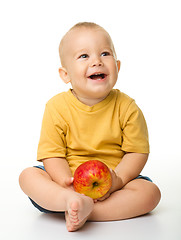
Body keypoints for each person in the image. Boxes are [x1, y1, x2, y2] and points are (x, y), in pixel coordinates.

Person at [19, 22, 161, 232]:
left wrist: (118, 180)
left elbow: (136, 152)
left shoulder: (127, 107)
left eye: (105, 54)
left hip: (113, 184)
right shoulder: (56, 107)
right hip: (68, 180)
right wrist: (64, 183)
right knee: (28, 176)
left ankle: (83, 210)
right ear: (65, 75)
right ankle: (68, 200)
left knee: (150, 193)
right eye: (84, 56)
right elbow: (52, 154)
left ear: (117, 66)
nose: (97, 61)